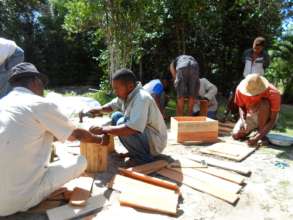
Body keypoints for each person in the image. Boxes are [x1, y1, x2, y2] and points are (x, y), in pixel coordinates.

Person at [0, 62, 108, 216]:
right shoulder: (39, 104)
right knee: (80, 161)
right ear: (35, 82)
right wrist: (100, 140)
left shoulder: (3, 103)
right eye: (42, 84)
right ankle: (28, 197)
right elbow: (76, 135)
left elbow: (27, 135)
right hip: (13, 202)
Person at [87, 68, 168, 164]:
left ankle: (143, 158)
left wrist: (104, 129)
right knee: (116, 116)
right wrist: (97, 110)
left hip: (156, 143)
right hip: (148, 136)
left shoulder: (141, 98)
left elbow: (132, 129)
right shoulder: (127, 94)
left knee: (122, 123)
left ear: (130, 86)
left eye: (116, 88)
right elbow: (111, 106)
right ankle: (136, 152)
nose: (115, 92)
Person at [232, 74, 281, 146]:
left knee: (264, 103)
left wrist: (258, 137)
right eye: (249, 93)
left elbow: (272, 120)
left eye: (255, 94)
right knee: (235, 135)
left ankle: (261, 132)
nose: (251, 96)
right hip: (251, 115)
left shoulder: (274, 93)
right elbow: (241, 107)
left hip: (268, 118)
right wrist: (243, 121)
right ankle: (254, 131)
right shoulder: (240, 89)